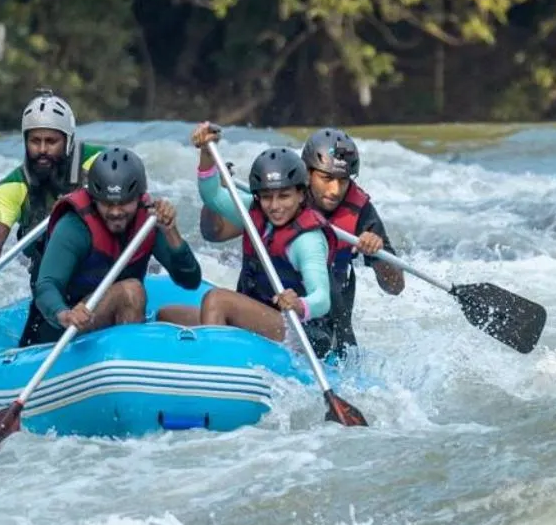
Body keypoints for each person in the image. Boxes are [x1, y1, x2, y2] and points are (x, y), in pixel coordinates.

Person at [156, 123, 335, 345]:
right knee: (167, 315)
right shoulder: (253, 210)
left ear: (301, 194)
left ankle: (213, 365)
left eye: (284, 196)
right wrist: (206, 153)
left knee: (217, 300)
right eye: (267, 197)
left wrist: (299, 304)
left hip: (300, 331)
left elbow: (322, 298)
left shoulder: (307, 240)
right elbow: (211, 195)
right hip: (259, 317)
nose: (275, 206)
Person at [21, 147, 200, 346]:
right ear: (95, 198)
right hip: (64, 331)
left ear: (139, 197)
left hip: (110, 329)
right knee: (130, 292)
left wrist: (171, 232)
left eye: (124, 203)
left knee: (182, 314)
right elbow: (46, 285)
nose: (115, 212)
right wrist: (64, 314)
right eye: (107, 203)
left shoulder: (148, 221)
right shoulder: (74, 226)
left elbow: (190, 281)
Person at [0, 90, 105, 289]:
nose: (42, 150)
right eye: (34, 141)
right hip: (50, 279)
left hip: (100, 267)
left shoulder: (98, 162)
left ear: (68, 142)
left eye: (51, 141)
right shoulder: (12, 186)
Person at [300, 127, 403, 359]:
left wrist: (377, 253)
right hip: (282, 303)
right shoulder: (283, 196)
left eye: (343, 181)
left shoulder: (361, 211)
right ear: (307, 173)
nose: (335, 190)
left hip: (331, 323)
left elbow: (395, 287)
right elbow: (214, 232)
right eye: (326, 178)